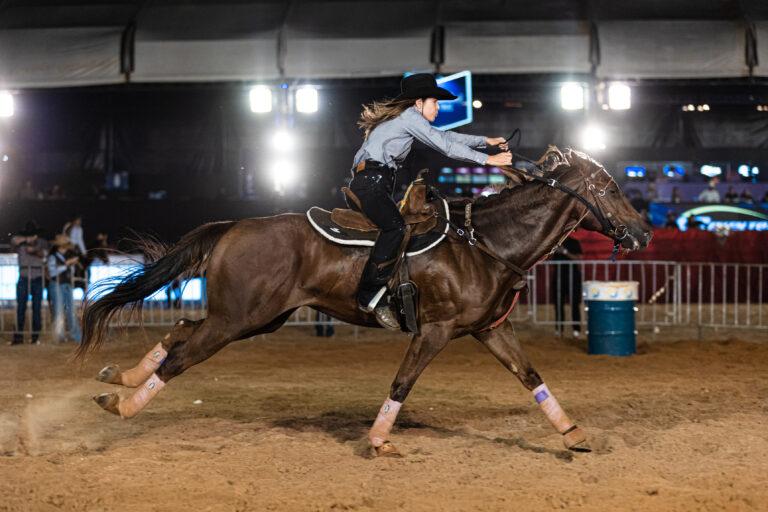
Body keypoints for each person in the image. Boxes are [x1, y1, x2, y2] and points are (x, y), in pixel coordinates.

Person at [349, 73, 512, 329]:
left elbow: (445, 138)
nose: (438, 107)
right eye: (435, 102)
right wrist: (488, 160)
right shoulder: (409, 117)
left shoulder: (405, 120)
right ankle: (369, 296)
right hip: (372, 182)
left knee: (395, 228)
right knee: (396, 228)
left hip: (372, 181)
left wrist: (486, 142)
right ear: (418, 103)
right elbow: (444, 146)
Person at [9, 221, 47, 345]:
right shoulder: (20, 242)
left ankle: (35, 337)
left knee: (37, 308)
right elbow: (13, 241)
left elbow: (43, 255)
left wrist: (33, 249)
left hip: (36, 277)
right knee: (21, 308)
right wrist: (26, 240)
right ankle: (18, 336)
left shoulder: (41, 242)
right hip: (24, 277)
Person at [47, 234, 82, 343]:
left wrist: (70, 265)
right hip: (57, 285)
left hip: (65, 285)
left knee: (71, 311)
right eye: (64, 247)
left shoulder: (63, 258)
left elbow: (67, 272)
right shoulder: (53, 257)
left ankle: (76, 336)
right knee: (59, 311)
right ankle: (60, 336)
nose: (65, 249)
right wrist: (67, 265)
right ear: (59, 248)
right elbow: (52, 272)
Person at [550, 236, 583, 339]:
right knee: (558, 305)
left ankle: (576, 331)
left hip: (573, 278)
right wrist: (552, 252)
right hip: (558, 278)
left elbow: (578, 259)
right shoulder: (554, 242)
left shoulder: (574, 242)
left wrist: (565, 252)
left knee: (574, 304)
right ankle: (559, 330)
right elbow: (547, 260)